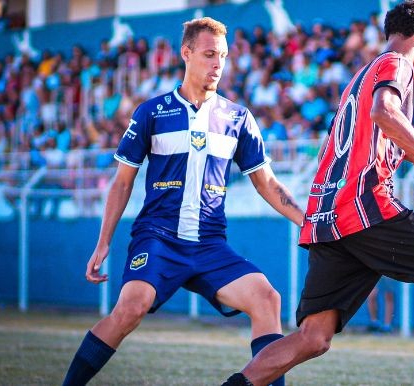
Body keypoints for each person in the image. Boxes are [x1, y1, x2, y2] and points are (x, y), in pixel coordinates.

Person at [222, 2, 414, 385]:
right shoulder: (397, 63)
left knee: (313, 338)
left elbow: (336, 147)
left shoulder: (359, 78)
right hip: (367, 210)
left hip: (328, 218)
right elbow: (385, 112)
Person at [62, 17, 304, 386]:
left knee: (266, 298)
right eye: (209, 55)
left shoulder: (237, 117)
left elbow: (267, 183)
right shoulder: (152, 113)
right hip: (158, 238)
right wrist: (104, 241)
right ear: (186, 53)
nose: (217, 64)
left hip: (209, 244)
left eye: (222, 56)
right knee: (131, 308)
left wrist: (307, 221)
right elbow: (122, 183)